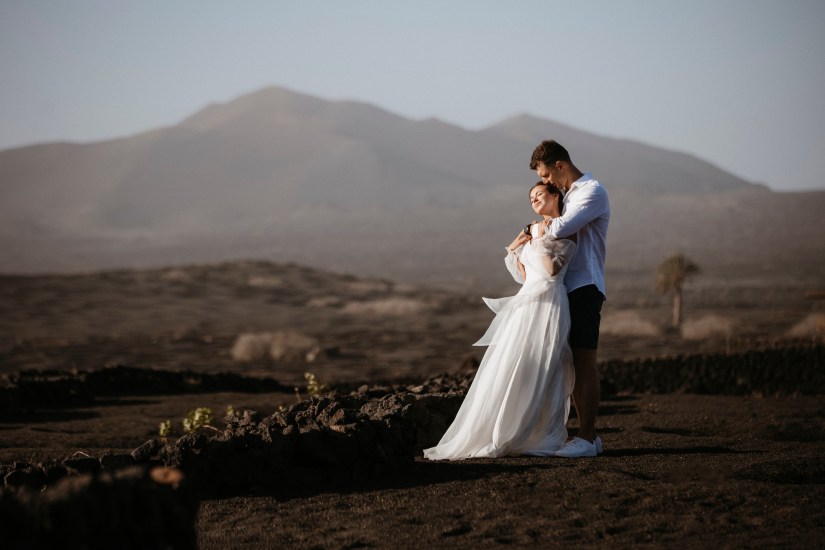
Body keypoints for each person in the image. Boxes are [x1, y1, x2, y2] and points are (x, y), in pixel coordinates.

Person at [424, 182, 577, 459]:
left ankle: (538, 431)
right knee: (513, 361)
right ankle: (502, 428)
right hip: (527, 304)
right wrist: (519, 246)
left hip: (551, 303)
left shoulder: (564, 230)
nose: (534, 201)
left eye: (539, 195)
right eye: (530, 198)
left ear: (555, 195)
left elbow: (552, 270)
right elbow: (524, 274)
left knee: (548, 364)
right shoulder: (535, 229)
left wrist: (539, 237)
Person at [530, 140, 610, 458]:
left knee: (584, 362)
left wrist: (536, 228)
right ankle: (583, 435)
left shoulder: (592, 192)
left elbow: (561, 228)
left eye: (547, 175)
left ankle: (588, 438)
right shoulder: (570, 195)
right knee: (571, 365)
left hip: (585, 287)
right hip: (566, 287)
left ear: (560, 166)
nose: (546, 182)